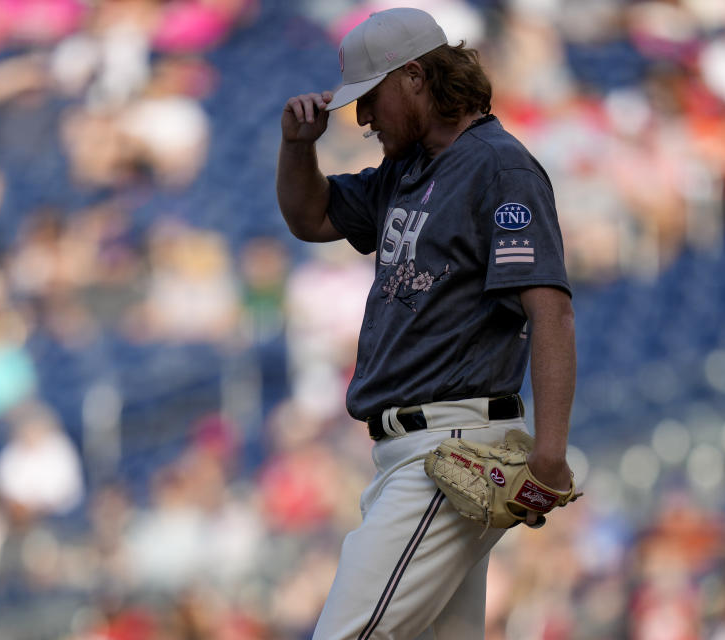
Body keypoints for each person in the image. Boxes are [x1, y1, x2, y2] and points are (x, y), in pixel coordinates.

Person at [276, 7, 576, 639]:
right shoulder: (406, 171)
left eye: (370, 98)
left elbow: (549, 310)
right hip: (408, 456)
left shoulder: (499, 167)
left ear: (414, 76)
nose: (361, 117)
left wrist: (549, 452)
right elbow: (312, 217)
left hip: (450, 451)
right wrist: (296, 150)